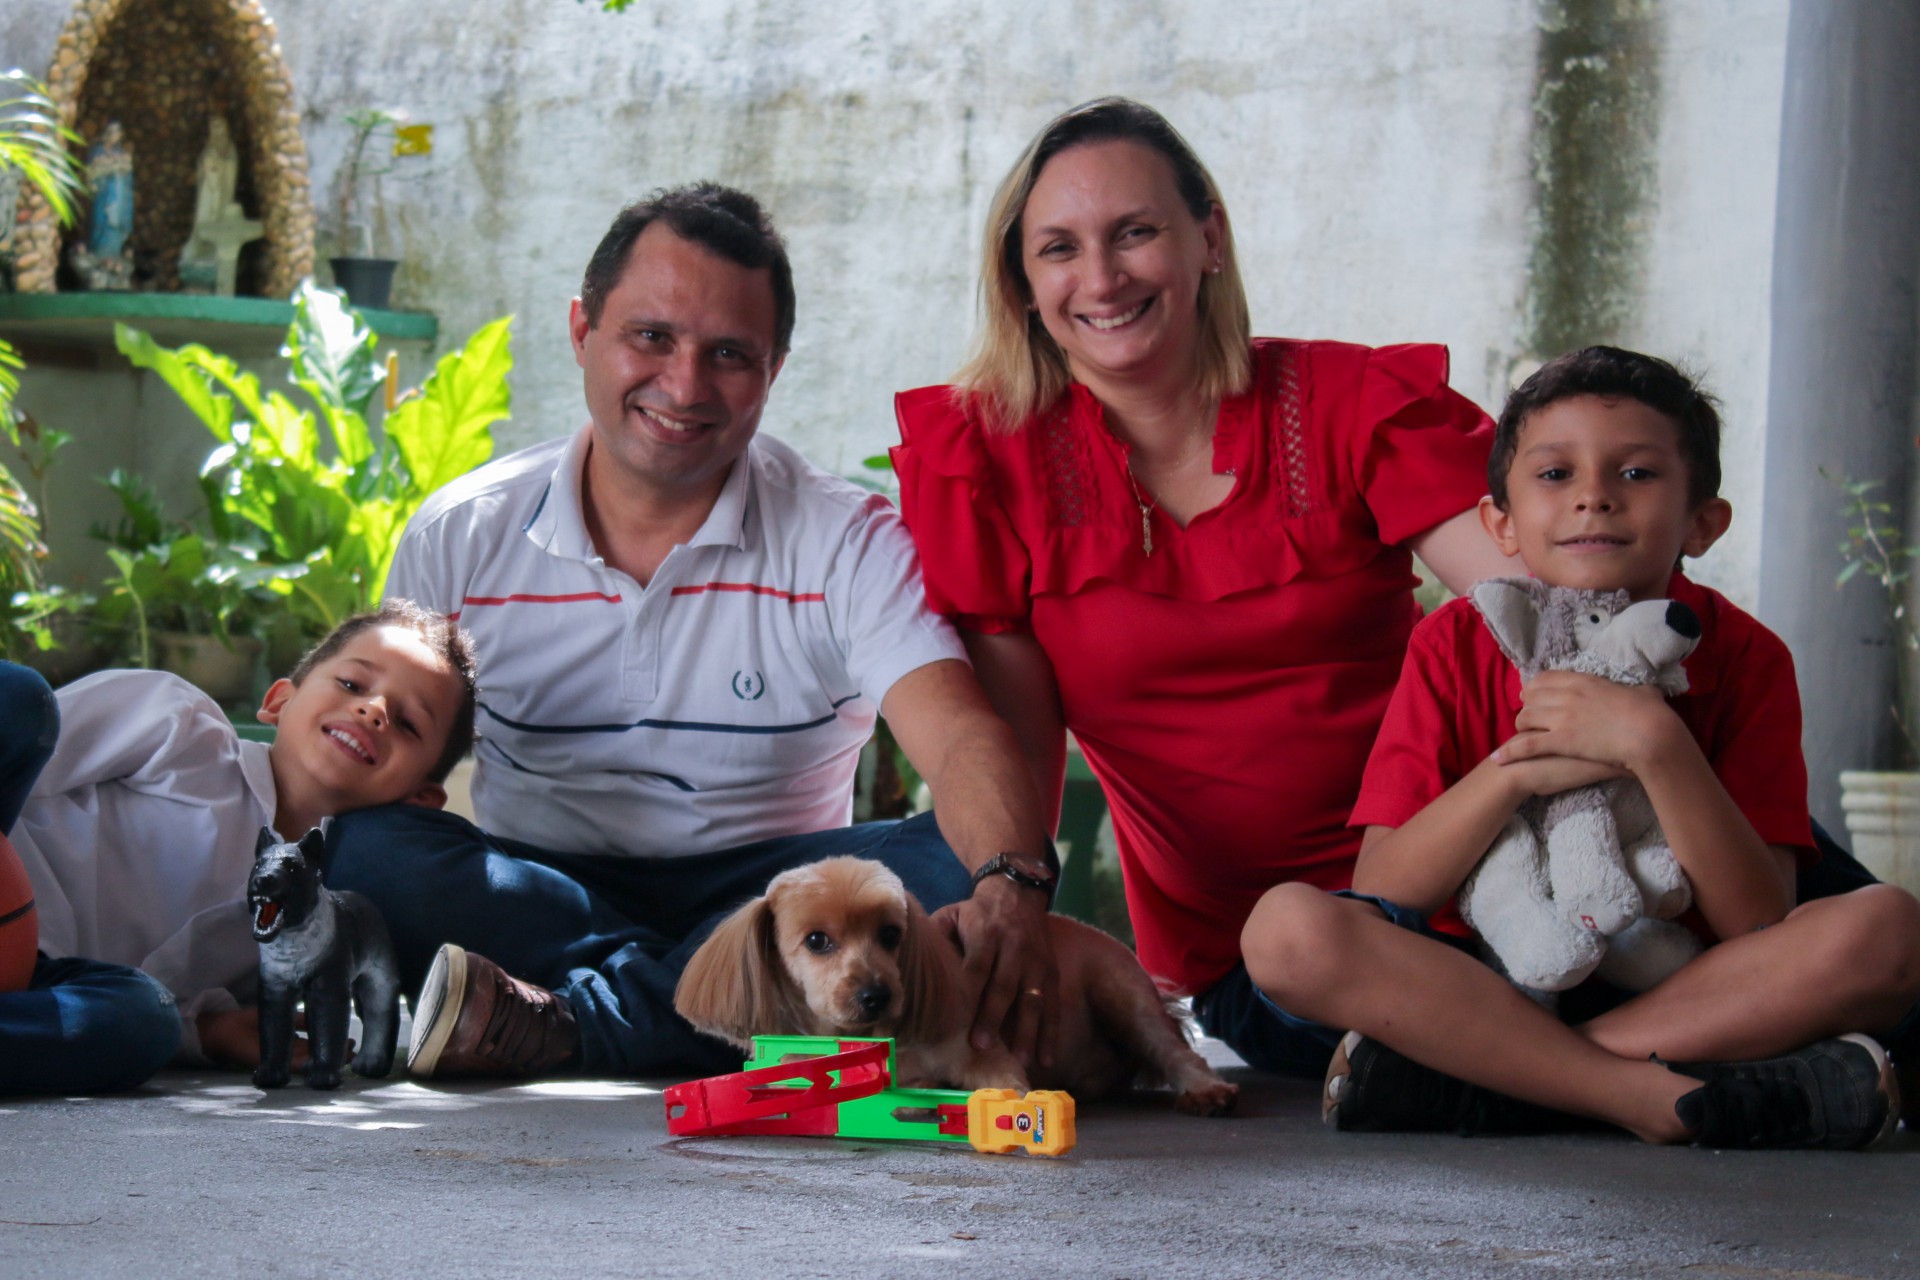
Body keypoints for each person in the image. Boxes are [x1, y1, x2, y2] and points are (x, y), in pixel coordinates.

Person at [326, 183, 1058, 1081]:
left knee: (957, 857)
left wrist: (1011, 885)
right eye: (651, 337)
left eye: (728, 354)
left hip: (781, 909)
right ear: (581, 330)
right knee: (368, 851)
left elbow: (961, 737)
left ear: (775, 368)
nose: (684, 384)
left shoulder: (846, 538)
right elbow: (382, 769)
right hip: (547, 893)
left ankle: (569, 1024)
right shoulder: (461, 534)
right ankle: (734, 1015)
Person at [890, 97, 1517, 1077]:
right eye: (1059, 247)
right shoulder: (989, 463)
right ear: (1021, 277)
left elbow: (1533, 609)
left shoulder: (1353, 406)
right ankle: (1661, 1069)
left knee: (1786, 911)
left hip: (1488, 889)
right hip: (1272, 961)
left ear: (1207, 238)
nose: (1101, 278)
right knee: (1385, 997)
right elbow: (1017, 768)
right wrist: (1006, 909)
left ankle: (1570, 1065)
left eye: (1135, 232)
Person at [1241, 346, 1920, 1148]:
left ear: (1705, 522)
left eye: (1636, 474)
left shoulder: (1747, 655)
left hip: (1691, 987)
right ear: (1500, 521)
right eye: (1555, 475)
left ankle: (1507, 1081)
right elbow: (1387, 887)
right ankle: (1638, 1095)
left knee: (1887, 930)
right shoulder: (1452, 643)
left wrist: (1655, 745)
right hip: (1487, 984)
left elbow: (1756, 918)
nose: (1593, 498)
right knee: (1285, 932)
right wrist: (1519, 769)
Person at [0, 600, 476, 1094]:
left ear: (421, 800)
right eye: (352, 685)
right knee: (22, 699)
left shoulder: (317, 927)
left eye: (407, 723)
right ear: (278, 701)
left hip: (36, 983)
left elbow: (175, 1003)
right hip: (10, 856)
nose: (373, 710)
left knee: (146, 1023)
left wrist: (208, 1032)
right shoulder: (180, 727)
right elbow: (28, 764)